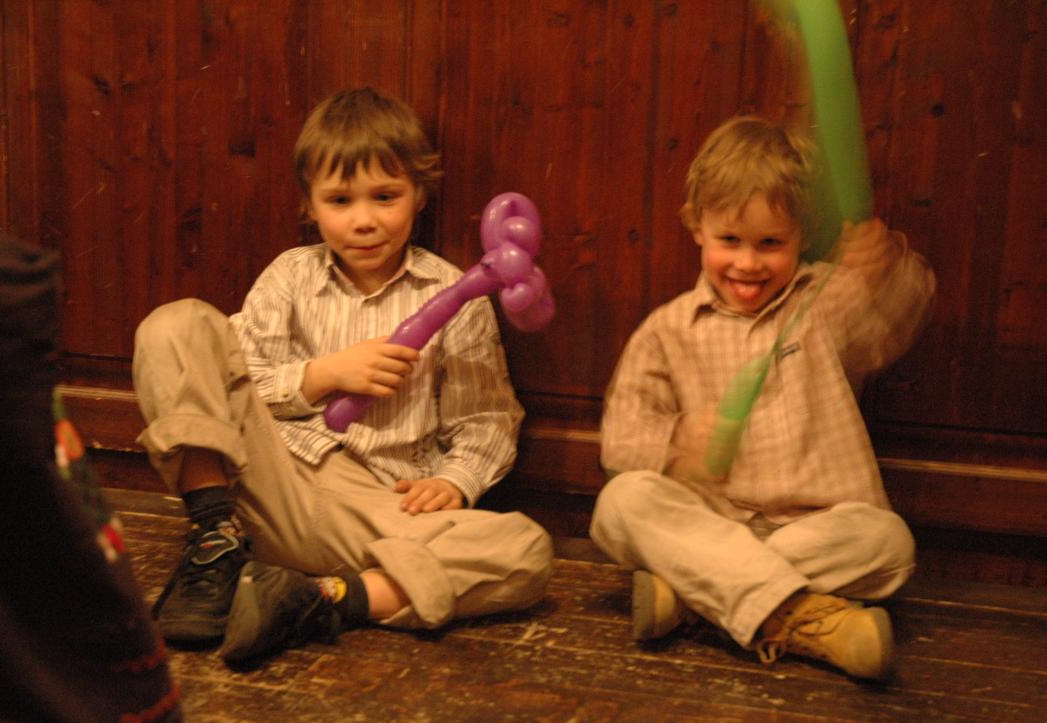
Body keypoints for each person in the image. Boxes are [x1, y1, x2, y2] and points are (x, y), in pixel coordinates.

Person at [132, 87, 553, 663]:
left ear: (418, 195)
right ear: (309, 205)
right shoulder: (289, 277)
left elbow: (487, 419)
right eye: (339, 200)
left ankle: (319, 599)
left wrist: (455, 481)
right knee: (175, 324)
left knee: (525, 549)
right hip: (268, 485)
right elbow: (231, 389)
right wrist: (323, 375)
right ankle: (214, 541)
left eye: (385, 197)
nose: (364, 221)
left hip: (379, 509)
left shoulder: (455, 295)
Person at [590, 115, 936, 681]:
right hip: (709, 523)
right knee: (620, 503)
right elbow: (622, 443)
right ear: (696, 225)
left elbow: (894, 320)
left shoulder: (825, 300)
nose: (748, 263)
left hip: (818, 529)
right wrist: (678, 442)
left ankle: (694, 598)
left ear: (801, 235)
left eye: (771, 244)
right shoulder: (666, 331)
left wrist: (883, 271)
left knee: (889, 543)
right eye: (730, 240)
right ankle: (802, 617)